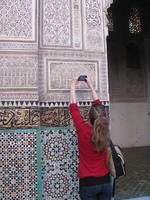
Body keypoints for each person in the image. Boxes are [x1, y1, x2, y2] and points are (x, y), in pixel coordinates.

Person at [69, 77, 112, 200]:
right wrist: (91, 86)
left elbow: (73, 106)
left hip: (88, 184)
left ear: (89, 117)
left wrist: (73, 84)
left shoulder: (83, 129)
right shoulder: (105, 127)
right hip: (105, 182)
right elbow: (99, 108)